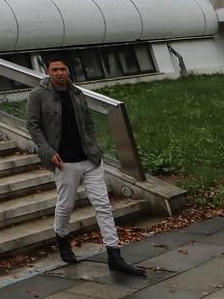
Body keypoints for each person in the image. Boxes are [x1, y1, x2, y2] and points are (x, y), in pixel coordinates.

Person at [27, 57, 146, 276]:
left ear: (68, 71)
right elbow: (33, 125)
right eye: (55, 69)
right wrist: (48, 151)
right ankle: (62, 237)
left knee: (103, 206)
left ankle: (114, 254)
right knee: (65, 206)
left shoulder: (77, 93)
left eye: (63, 69)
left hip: (89, 159)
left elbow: (88, 122)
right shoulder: (38, 95)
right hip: (63, 162)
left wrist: (94, 146)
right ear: (48, 71)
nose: (60, 73)